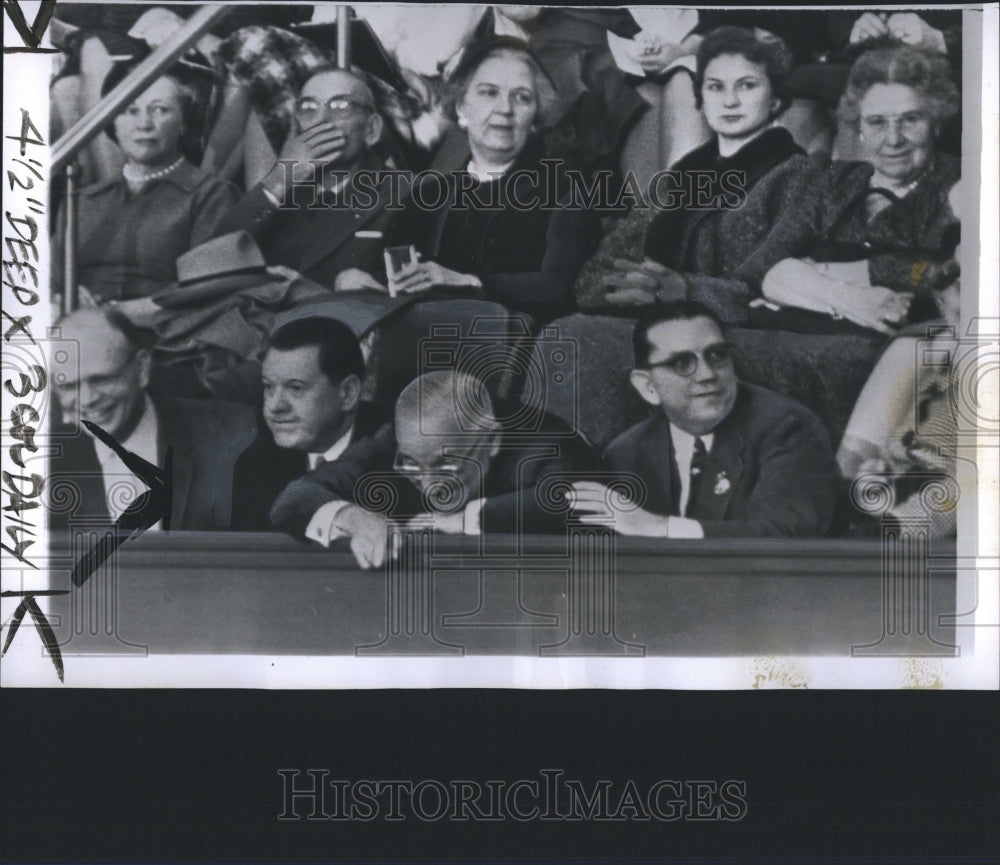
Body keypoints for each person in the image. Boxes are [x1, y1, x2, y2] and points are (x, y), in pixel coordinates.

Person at [574, 26, 825, 325]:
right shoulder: (684, 175)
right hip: (656, 323)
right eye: (715, 87)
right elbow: (594, 277)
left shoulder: (797, 177)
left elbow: (780, 296)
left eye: (747, 86)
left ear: (775, 100)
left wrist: (688, 291)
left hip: (733, 336)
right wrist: (626, 289)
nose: (729, 101)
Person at [269, 369, 596, 568]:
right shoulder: (397, 441)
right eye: (411, 466)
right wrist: (352, 517)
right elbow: (293, 497)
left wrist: (467, 519)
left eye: (446, 464)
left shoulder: (550, 445)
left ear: (492, 440)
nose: (428, 485)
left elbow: (577, 500)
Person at [570, 302, 839, 538]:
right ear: (648, 387)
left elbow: (787, 533)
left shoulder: (789, 428)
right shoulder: (626, 453)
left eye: (717, 355)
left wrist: (659, 527)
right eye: (681, 363)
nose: (707, 374)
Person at [388, 37, 602, 323]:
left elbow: (559, 286)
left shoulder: (565, 190)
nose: (505, 109)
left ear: (535, 117)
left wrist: (469, 282)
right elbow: (392, 272)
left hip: (514, 350)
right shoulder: (427, 194)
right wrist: (361, 279)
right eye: (489, 93)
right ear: (462, 108)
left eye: (522, 97)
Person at [761, 45, 961, 336]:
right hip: (793, 341)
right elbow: (766, 267)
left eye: (910, 120)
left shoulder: (960, 184)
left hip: (893, 357)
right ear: (860, 129)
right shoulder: (833, 181)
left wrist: (809, 274)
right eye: (877, 122)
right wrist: (846, 296)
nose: (893, 139)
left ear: (937, 124)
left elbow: (939, 275)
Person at [51, 61, 239, 325]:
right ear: (112, 122)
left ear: (185, 121)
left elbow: (204, 294)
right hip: (77, 332)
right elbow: (48, 285)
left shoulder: (210, 196)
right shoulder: (81, 200)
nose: (144, 124)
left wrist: (113, 314)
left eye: (160, 109)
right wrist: (61, 301)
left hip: (165, 338)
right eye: (130, 110)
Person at [48, 308, 256, 533]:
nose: (87, 400)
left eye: (102, 380)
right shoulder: (43, 464)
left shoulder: (229, 436)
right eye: (68, 386)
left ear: (141, 368)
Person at [214, 65, 401, 292]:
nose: (321, 120)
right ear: (296, 125)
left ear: (372, 129)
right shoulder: (281, 191)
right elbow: (213, 262)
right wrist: (280, 177)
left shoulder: (406, 193)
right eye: (309, 108)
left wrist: (312, 294)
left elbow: (414, 308)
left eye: (341, 106)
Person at [230, 317, 385, 531]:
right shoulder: (256, 463)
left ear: (348, 393)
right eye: (268, 387)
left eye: (295, 388)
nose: (275, 406)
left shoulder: (397, 447)